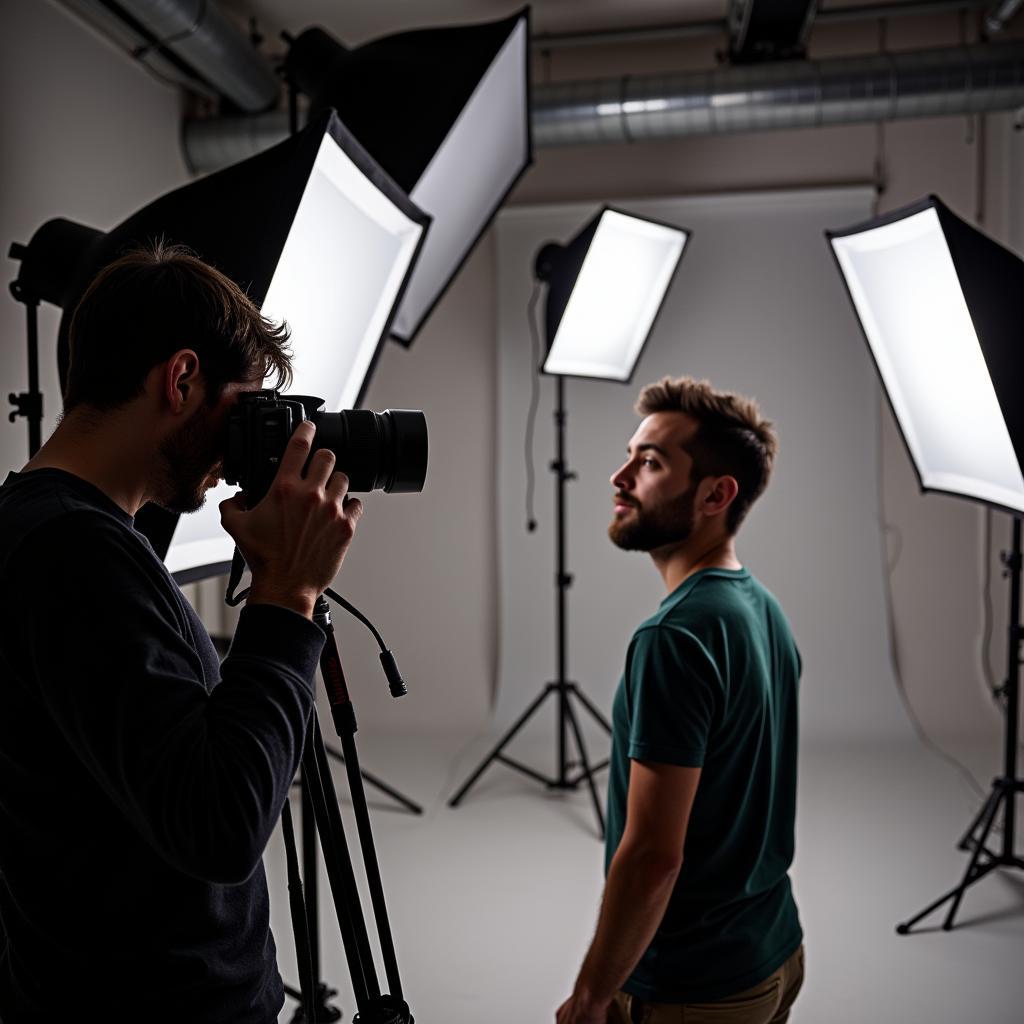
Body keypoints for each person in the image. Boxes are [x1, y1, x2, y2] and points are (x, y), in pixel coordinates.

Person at [0, 243, 363, 1022]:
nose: (243, 449)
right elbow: (220, 826)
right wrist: (288, 592)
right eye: (246, 406)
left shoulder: (66, 533)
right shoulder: (74, 552)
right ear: (181, 379)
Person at [557, 376, 804, 1024]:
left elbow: (651, 857)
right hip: (776, 953)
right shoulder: (763, 607)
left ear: (716, 495)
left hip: (695, 988)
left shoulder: (675, 637)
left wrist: (590, 996)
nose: (619, 476)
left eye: (652, 462)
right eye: (631, 454)